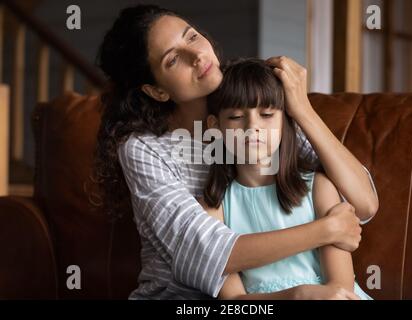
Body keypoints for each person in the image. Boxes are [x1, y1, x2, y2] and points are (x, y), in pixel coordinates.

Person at [95, 4, 378, 299]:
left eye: (191, 37)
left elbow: (364, 204)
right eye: (174, 59)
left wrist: (302, 109)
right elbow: (205, 255)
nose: (198, 55)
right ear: (157, 91)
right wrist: (326, 230)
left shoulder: (253, 102)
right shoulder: (144, 149)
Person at [200, 58, 372, 300]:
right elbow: (234, 301)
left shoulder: (318, 187)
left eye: (267, 114)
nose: (253, 126)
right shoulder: (215, 205)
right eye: (237, 117)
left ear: (286, 121)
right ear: (214, 126)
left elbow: (340, 288)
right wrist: (298, 295)